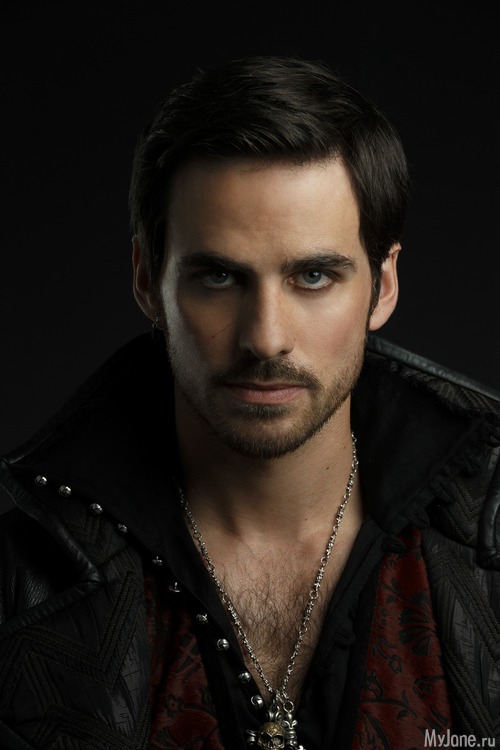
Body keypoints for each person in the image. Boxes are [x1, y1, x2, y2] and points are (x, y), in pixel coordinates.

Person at [0, 55, 499, 750]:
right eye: (218, 277)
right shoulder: (20, 570)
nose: (265, 337)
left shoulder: (486, 539)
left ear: (383, 286)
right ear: (146, 280)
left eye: (314, 276)